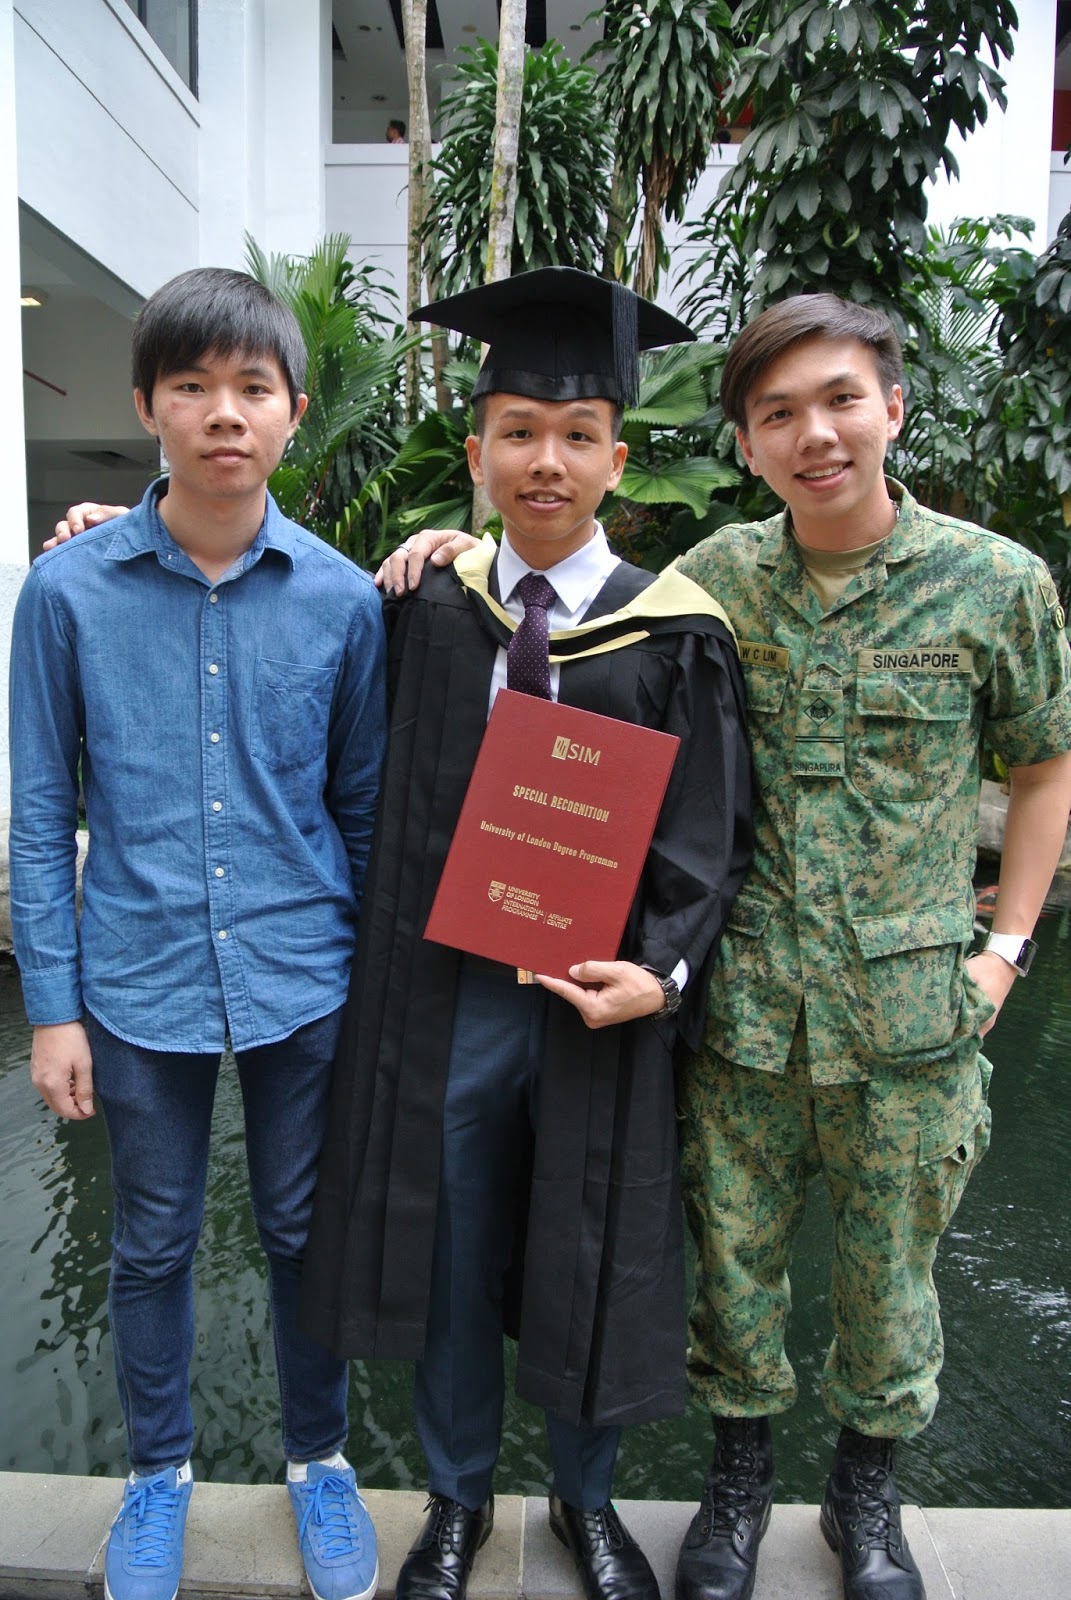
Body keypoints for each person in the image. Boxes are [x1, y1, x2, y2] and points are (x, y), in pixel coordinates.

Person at [377, 292, 1071, 1600]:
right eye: (778, 413)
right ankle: (552, 1498)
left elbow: (1027, 769)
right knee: (606, 1274)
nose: (815, 434)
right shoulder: (664, 587)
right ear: (745, 442)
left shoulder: (949, 587)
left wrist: (1005, 950)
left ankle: (786, 1504)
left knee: (715, 1266)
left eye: (841, 401)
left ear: (893, 408)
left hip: (804, 1013)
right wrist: (448, 543)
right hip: (631, 1011)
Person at [302, 267, 753, 1600]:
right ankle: (456, 1498)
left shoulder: (675, 632)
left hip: (592, 1000)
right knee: (448, 1248)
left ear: (618, 456)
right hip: (448, 997)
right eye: (517, 432)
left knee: (587, 1241)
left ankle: (585, 1500)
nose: (544, 460)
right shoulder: (425, 605)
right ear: (477, 454)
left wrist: (660, 973)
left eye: (575, 435)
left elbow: (710, 838)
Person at [10, 267, 388, 1600]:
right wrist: (51, 1010)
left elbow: (361, 806)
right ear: (147, 406)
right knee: (153, 1240)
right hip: (136, 971)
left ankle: (319, 1462)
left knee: (303, 1230)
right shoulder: (66, 594)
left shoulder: (344, 601)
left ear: (292, 412)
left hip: (305, 975)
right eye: (192, 386)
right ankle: (156, 1475)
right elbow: (41, 810)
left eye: (252, 388)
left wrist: (373, 994)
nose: (224, 413)